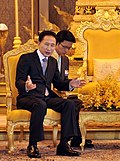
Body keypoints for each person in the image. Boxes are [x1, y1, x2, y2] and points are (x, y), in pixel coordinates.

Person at [16, 30, 86, 158]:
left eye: (52, 45)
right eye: (46, 44)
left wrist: (71, 84)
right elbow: (18, 81)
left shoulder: (52, 62)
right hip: (28, 97)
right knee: (40, 105)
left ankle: (64, 145)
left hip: (46, 97)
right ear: (39, 43)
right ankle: (32, 145)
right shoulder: (26, 58)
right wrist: (26, 86)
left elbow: (58, 83)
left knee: (69, 104)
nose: (49, 48)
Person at [54, 30, 93, 148]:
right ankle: (72, 138)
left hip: (60, 93)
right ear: (57, 43)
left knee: (77, 102)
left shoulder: (65, 59)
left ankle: (76, 137)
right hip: (50, 94)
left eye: (69, 48)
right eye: (64, 47)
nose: (66, 51)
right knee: (71, 104)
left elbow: (62, 80)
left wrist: (71, 83)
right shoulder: (50, 58)